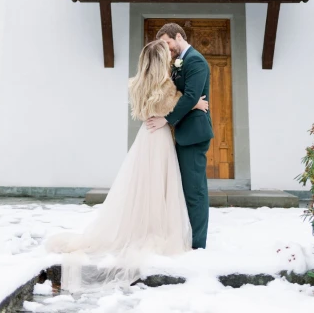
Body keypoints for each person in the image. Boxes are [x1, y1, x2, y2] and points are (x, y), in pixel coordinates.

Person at [45, 39, 209, 289]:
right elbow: (178, 104)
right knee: (157, 183)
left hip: (146, 136)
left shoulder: (137, 84)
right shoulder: (164, 87)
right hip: (160, 139)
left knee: (142, 183)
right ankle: (154, 229)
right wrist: (196, 103)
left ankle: (141, 225)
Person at [146, 23, 214, 249]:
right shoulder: (178, 61)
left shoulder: (195, 60)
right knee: (183, 189)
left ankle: (198, 244)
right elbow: (182, 95)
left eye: (167, 43)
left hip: (194, 134)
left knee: (195, 191)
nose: (167, 48)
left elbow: (192, 95)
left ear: (178, 36)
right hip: (183, 132)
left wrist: (167, 119)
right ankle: (185, 237)